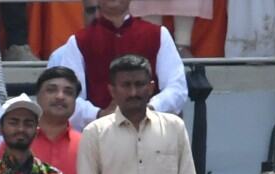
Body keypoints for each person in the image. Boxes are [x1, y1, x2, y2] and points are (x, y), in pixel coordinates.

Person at [76, 55, 198, 174]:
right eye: (126, 85)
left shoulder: (174, 127)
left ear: (150, 87)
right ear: (112, 90)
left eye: (139, 84)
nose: (133, 92)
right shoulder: (94, 133)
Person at [47, 0, 187, 130]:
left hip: (151, 131)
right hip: (100, 135)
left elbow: (177, 88)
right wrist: (99, 114)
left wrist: (149, 108)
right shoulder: (78, 41)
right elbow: (70, 96)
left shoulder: (158, 35)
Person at [28, 67, 81, 174]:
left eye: (68, 92)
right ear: (37, 97)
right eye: (51, 90)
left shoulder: (86, 144)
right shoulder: (18, 142)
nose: (60, 96)